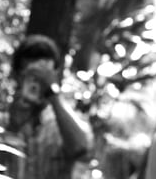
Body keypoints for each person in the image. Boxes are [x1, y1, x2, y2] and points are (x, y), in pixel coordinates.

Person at [6, 34, 92, 179]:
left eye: (44, 76)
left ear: (55, 76)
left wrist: (53, 95)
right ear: (17, 75)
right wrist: (11, 129)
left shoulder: (66, 123)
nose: (38, 82)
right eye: (32, 75)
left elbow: (81, 150)